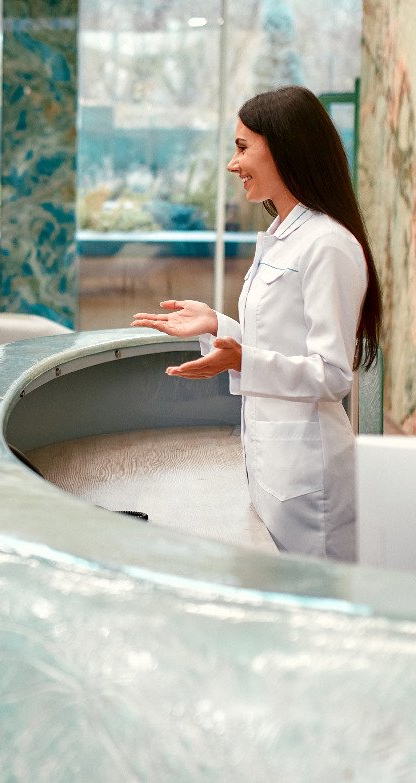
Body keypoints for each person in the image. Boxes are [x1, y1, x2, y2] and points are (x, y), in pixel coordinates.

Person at [132, 86, 381, 561]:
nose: (232, 163)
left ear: (285, 149)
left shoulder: (327, 244)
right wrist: (217, 324)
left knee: (316, 610)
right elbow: (279, 341)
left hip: (310, 475)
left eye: (243, 147)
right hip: (271, 461)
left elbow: (332, 375)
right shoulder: (281, 237)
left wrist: (244, 358)